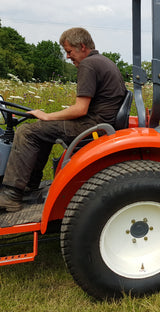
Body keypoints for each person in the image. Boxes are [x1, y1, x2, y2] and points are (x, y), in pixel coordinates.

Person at [0, 27, 127, 212]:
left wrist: (47, 115)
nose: (68, 57)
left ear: (82, 46)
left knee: (27, 132)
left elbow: (80, 109)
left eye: (69, 51)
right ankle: (29, 185)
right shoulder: (103, 61)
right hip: (100, 122)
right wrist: (47, 119)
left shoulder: (88, 65)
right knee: (41, 129)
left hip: (93, 125)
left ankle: (11, 194)